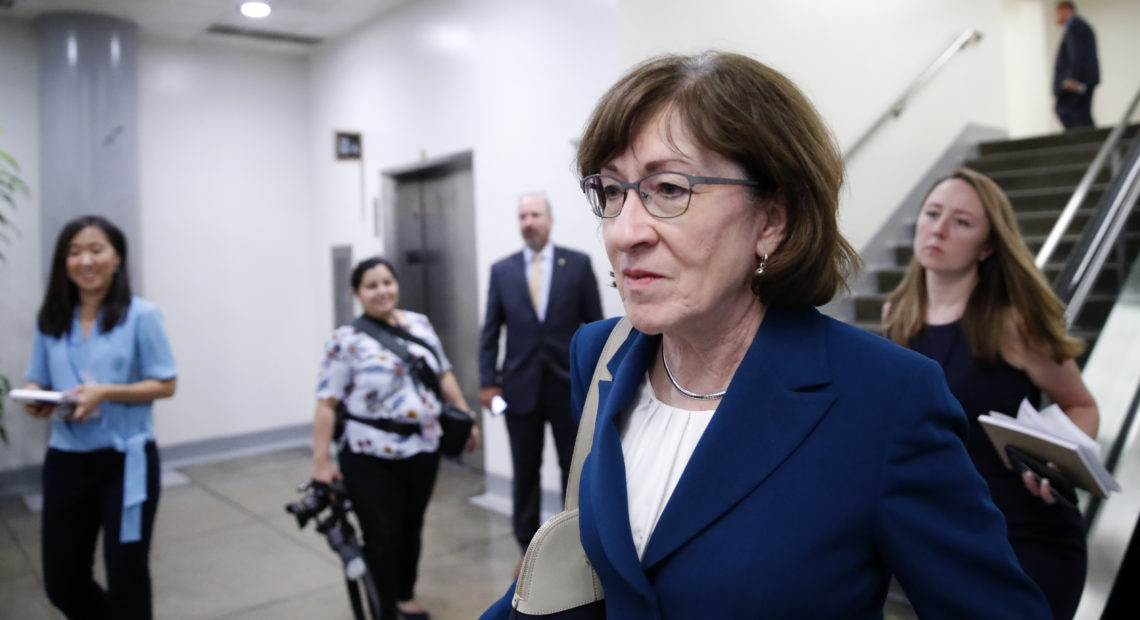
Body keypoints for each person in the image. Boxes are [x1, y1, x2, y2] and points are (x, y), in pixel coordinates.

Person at [483, 51, 1050, 618]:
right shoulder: (602, 356)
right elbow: (587, 577)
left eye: (670, 189)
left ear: (772, 219)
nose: (625, 231)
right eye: (610, 191)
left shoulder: (887, 400)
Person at [883, 168, 1098, 619]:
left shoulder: (1011, 322)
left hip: (1028, 537)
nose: (938, 228)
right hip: (947, 538)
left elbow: (1081, 404)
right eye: (932, 213)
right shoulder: (898, 314)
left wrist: (1061, 457)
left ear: (987, 247)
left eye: (961, 221)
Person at [22, 215, 178, 619]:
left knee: (127, 576)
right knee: (63, 582)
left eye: (96, 249)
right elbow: (37, 377)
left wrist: (106, 392)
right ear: (64, 262)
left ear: (117, 258)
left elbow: (165, 383)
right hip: (66, 461)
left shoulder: (141, 315)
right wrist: (37, 397)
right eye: (74, 252)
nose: (85, 261)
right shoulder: (52, 317)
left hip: (126, 462)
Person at [311, 256, 478, 620]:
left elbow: (443, 374)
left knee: (410, 526)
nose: (382, 291)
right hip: (368, 454)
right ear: (358, 293)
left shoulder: (419, 324)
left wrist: (465, 417)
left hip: (422, 448)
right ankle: (383, 609)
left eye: (387, 282)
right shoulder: (345, 340)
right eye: (371, 285)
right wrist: (321, 462)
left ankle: (403, 595)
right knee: (380, 535)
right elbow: (326, 404)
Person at [478, 193, 603, 554]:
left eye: (534, 214)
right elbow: (490, 331)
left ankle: (574, 548)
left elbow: (594, 325)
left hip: (569, 386)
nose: (528, 222)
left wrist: (597, 381)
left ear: (549, 219)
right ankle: (528, 551)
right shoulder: (502, 271)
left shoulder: (577, 265)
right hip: (518, 388)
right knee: (525, 472)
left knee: (574, 468)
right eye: (522, 216)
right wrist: (488, 381)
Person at [1053, 1, 1099, 130]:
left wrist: (1072, 77)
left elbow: (1077, 52)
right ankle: (1093, 142)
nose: (1055, 17)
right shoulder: (1079, 26)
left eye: (1057, 12)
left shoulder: (1075, 25)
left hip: (1076, 81)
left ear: (1066, 10)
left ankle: (1085, 142)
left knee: (1064, 109)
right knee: (1082, 114)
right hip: (1084, 79)